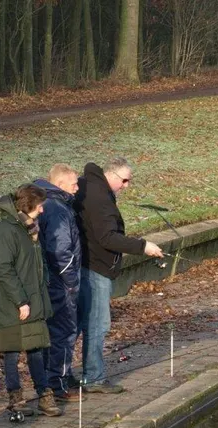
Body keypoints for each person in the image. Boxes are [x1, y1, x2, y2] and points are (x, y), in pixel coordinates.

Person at [75, 157, 164, 394]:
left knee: (81, 323)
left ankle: (66, 377)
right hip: (95, 267)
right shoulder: (100, 198)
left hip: (89, 264)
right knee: (97, 324)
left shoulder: (93, 188)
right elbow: (107, 237)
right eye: (124, 181)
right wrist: (142, 246)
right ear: (111, 175)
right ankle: (92, 377)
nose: (126, 186)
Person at [0, 184, 62, 417]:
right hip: (13, 304)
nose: (42, 211)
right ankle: (16, 398)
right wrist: (21, 301)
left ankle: (42, 394)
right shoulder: (6, 232)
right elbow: (3, 269)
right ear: (28, 206)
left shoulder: (27, 228)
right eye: (39, 206)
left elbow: (35, 265)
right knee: (12, 352)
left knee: (36, 348)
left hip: (32, 299)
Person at [35, 164, 82, 401]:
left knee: (54, 333)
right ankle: (58, 384)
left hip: (52, 280)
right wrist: (71, 281)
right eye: (74, 183)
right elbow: (60, 250)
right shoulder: (57, 209)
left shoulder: (50, 203)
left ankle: (54, 379)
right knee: (63, 332)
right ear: (60, 184)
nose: (77, 187)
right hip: (61, 282)